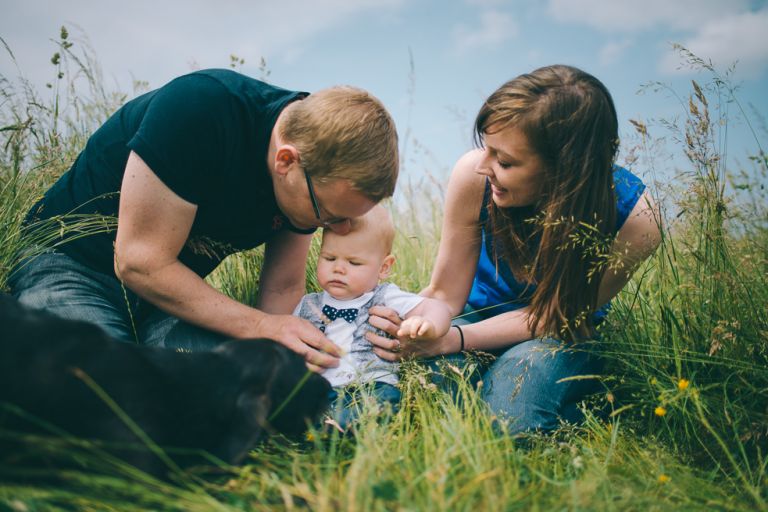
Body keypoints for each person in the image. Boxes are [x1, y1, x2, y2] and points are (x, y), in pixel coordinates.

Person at [9, 68, 399, 372]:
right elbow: (138, 261)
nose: (338, 230)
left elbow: (280, 290)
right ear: (286, 161)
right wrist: (263, 328)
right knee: (110, 390)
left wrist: (292, 357)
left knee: (225, 387)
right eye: (329, 216)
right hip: (70, 264)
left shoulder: (313, 176)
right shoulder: (200, 111)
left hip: (167, 295)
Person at [367, 65, 662, 434]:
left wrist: (454, 340)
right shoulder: (473, 176)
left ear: (564, 172)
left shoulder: (638, 220)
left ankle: (592, 403)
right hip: (477, 316)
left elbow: (557, 315)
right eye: (485, 149)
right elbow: (445, 292)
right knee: (415, 393)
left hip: (558, 334)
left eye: (505, 162)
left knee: (507, 421)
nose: (483, 167)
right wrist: (415, 323)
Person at [294, 205, 451, 429]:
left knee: (375, 408)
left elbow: (437, 307)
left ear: (383, 268)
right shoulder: (308, 303)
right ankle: (319, 429)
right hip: (321, 385)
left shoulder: (385, 296)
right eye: (329, 258)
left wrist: (428, 323)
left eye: (353, 262)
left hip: (372, 384)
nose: (338, 268)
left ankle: (346, 430)